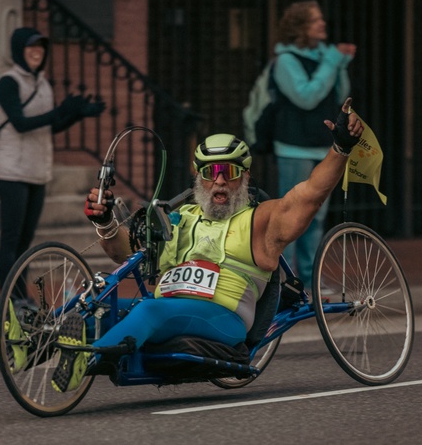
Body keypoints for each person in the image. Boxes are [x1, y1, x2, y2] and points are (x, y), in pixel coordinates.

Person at [50, 98, 363, 392]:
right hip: (169, 308)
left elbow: (310, 194)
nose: (220, 181)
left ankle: (86, 360)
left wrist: (340, 147)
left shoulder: (261, 222)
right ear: (198, 177)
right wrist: (104, 220)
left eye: (229, 172)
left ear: (245, 176)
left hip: (223, 319)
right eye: (211, 173)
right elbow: (125, 254)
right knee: (95, 310)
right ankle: (26, 339)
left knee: (149, 310)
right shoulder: (179, 219)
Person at [0, 27, 105, 296]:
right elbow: (20, 123)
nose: (36, 52)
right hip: (12, 172)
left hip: (37, 171)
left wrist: (77, 114)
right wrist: (58, 112)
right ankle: (11, 300)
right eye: (31, 47)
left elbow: (48, 127)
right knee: (10, 240)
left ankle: (20, 297)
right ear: (19, 50)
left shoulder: (42, 83)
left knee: (24, 242)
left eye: (41, 48)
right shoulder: (8, 82)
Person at [270, 0, 356, 292]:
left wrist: (338, 65)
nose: (323, 24)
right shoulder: (285, 61)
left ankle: (308, 280)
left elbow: (339, 95)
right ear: (300, 27)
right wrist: (332, 63)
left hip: (322, 146)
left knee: (316, 217)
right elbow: (305, 97)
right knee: (293, 214)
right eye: (315, 20)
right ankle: (287, 280)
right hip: (294, 148)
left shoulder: (325, 57)